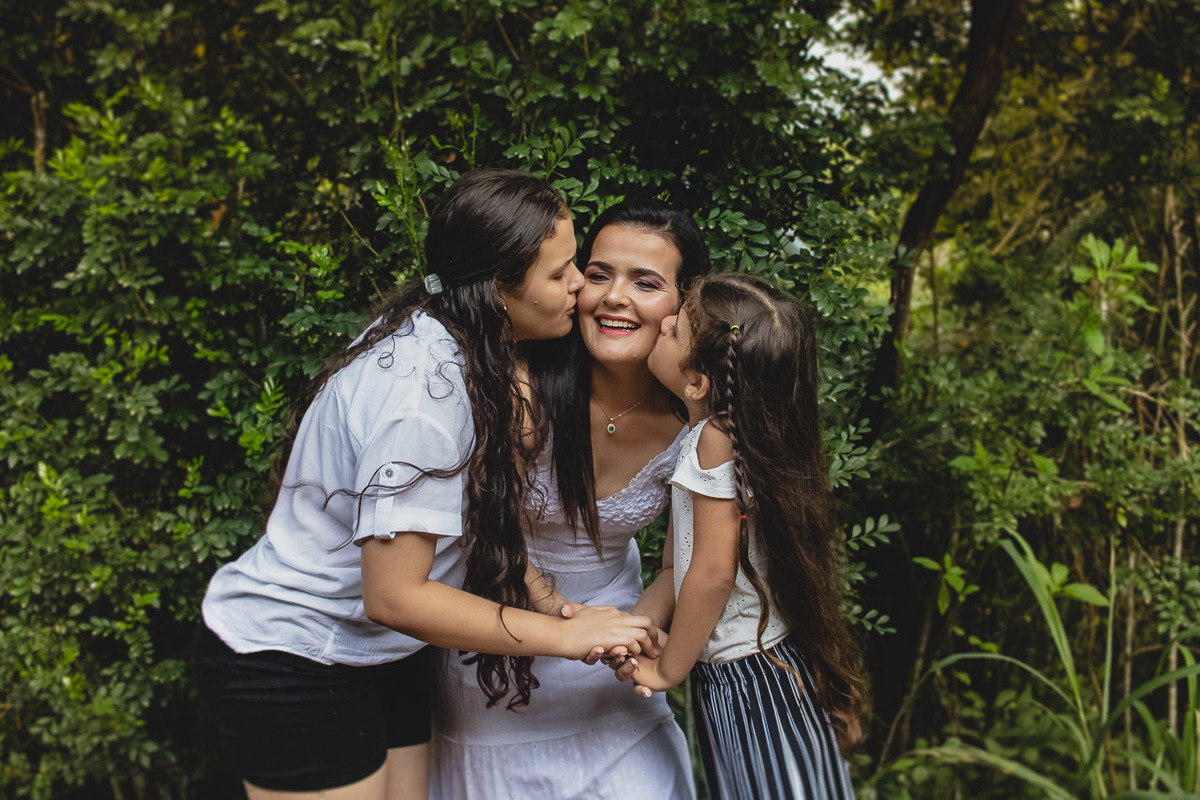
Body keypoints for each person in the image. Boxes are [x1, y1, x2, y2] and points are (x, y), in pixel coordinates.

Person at [190, 170, 659, 800]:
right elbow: (397, 596)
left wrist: (561, 606)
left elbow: (464, 524)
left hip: (383, 654)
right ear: (497, 290)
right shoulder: (421, 396)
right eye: (561, 272)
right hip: (295, 655)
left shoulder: (459, 343)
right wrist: (566, 638)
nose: (581, 285)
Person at [430, 198, 710, 799]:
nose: (614, 297)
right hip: (500, 647)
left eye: (646, 282)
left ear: (685, 305)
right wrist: (567, 617)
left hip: (613, 672)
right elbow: (476, 520)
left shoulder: (695, 419)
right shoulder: (522, 385)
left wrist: (636, 630)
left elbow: (676, 563)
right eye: (600, 274)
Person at [625, 272, 864, 799]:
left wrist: (667, 669)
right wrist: (633, 629)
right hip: (750, 677)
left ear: (697, 383)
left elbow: (711, 574)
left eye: (676, 328)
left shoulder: (715, 440)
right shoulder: (714, 438)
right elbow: (674, 569)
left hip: (753, 685)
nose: (662, 321)